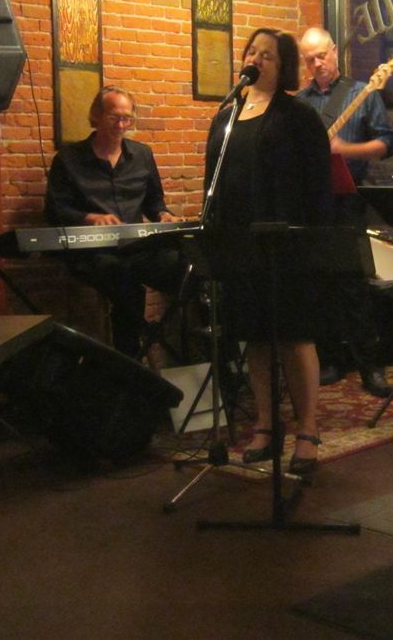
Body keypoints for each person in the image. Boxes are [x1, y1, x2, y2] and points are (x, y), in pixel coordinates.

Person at [203, 28, 333, 476]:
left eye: (268, 55)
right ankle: (265, 424)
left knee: (294, 335)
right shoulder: (227, 115)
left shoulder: (298, 116)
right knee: (254, 336)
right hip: (239, 244)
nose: (256, 60)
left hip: (286, 243)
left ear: (284, 66)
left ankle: (307, 430)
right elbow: (214, 179)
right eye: (252, 52)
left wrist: (312, 240)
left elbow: (319, 184)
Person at [44, 86, 186, 359]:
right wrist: (90, 218)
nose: (121, 126)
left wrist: (163, 215)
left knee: (186, 267)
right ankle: (129, 361)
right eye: (114, 118)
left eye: (127, 119)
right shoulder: (68, 159)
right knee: (125, 283)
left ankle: (187, 349)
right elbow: (54, 210)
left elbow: (154, 201)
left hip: (136, 248)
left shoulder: (142, 155)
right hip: (92, 252)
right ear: (96, 117)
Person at [297, 26, 393, 397]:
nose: (316, 64)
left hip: (348, 201)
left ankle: (371, 365)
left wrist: (345, 150)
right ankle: (330, 359)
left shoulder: (362, 93)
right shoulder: (299, 103)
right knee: (318, 285)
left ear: (335, 51)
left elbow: (387, 143)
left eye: (321, 55)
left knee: (354, 285)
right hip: (311, 203)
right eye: (309, 59)